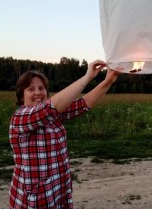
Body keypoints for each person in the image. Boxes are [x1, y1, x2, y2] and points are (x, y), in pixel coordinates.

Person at [9, 59, 119, 209]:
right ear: (22, 96)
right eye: (31, 89)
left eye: (41, 88)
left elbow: (83, 104)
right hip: (35, 196)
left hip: (57, 189)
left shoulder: (54, 116)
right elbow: (50, 108)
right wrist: (87, 77)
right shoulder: (20, 117)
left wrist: (108, 80)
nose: (38, 93)